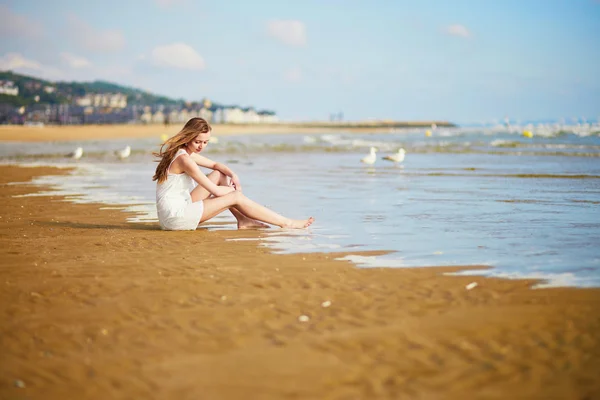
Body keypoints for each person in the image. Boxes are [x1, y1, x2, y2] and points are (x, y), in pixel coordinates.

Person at [152, 117, 314, 231]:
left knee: (219, 174)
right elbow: (215, 191)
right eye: (198, 142)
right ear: (188, 138)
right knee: (234, 197)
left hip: (176, 210)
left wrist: (233, 174)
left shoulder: (184, 152)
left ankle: (243, 219)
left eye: (206, 142)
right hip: (176, 218)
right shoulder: (184, 160)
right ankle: (287, 223)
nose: (201, 146)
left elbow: (216, 165)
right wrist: (234, 194)